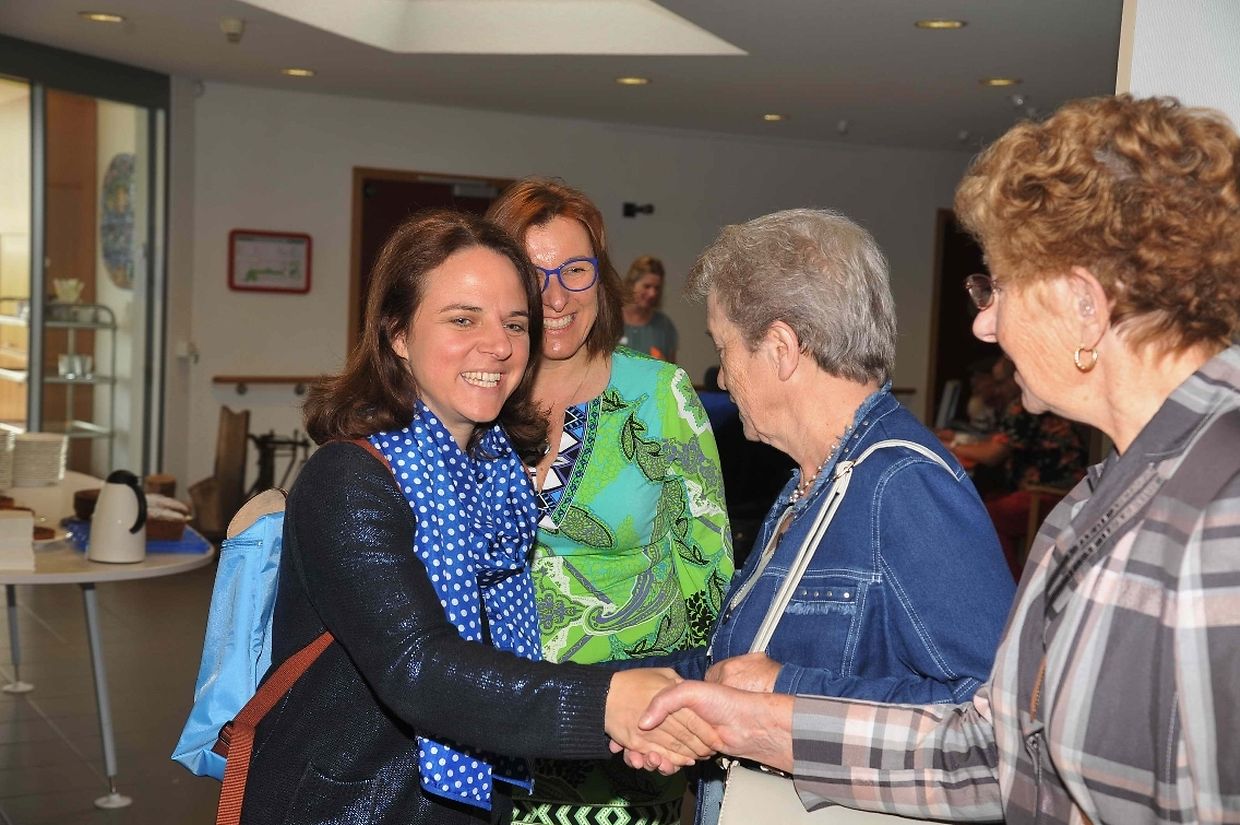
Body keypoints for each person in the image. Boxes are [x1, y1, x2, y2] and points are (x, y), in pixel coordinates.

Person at [635, 94, 1240, 825]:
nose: (985, 324)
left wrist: (778, 695)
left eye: (999, 287)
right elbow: (999, 751)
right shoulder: (1107, 496)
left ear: (1085, 304)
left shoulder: (1219, 507)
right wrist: (756, 717)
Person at [240, 210, 711, 825]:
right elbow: (420, 668)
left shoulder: (495, 476)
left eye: (515, 323)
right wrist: (608, 705)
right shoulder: (350, 478)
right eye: (463, 319)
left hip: (474, 803)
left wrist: (687, 687)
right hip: (355, 804)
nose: (499, 345)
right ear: (397, 334)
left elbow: (515, 658)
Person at [638, 207, 1015, 824]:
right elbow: (738, 666)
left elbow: (997, 724)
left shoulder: (900, 484)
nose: (723, 376)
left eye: (724, 348)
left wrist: (785, 690)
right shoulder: (814, 480)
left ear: (781, 349)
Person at [484, 180, 733, 825]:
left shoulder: (659, 394)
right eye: (533, 274)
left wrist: (685, 711)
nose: (556, 296)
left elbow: (706, 574)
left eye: (575, 269)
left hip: (630, 745)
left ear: (601, 278)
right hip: (491, 729)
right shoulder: (475, 396)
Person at [946, 354, 1089, 574]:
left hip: (1051, 493)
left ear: (1018, 377)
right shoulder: (1026, 401)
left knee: (984, 516)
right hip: (1063, 492)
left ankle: (1011, 584)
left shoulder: (1024, 405)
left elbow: (993, 454)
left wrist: (950, 446)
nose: (997, 389)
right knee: (984, 502)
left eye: (1001, 382)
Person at [621, 254, 679, 361]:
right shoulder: (610, 320)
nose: (652, 293)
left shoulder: (664, 326)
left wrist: (662, 364)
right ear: (631, 284)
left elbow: (672, 368)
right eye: (647, 286)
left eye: (657, 288)